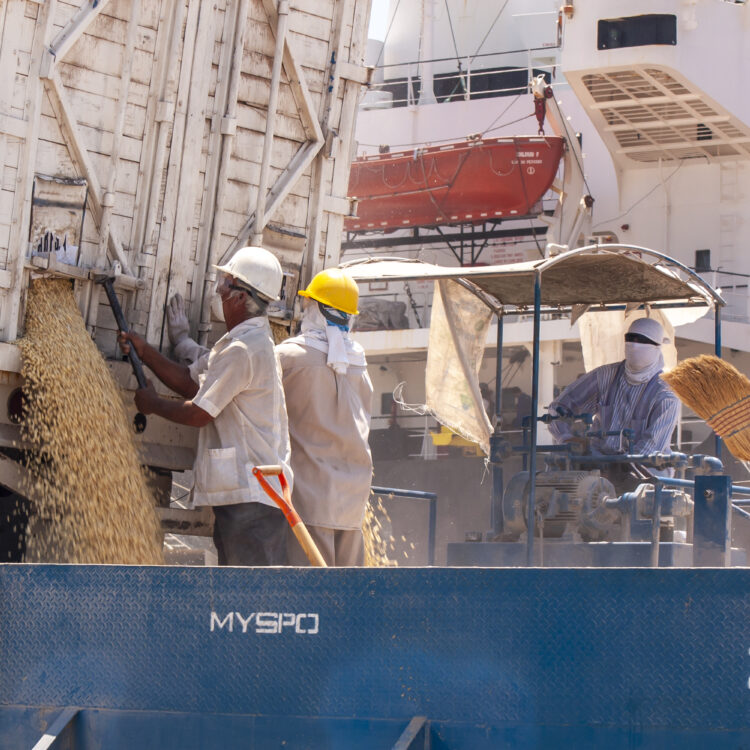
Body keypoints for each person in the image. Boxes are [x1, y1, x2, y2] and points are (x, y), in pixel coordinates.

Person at [118, 246, 292, 566]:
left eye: (225, 283)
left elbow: (200, 413)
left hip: (253, 497)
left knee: (246, 596)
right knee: (236, 590)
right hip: (246, 494)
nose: (219, 290)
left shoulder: (244, 349)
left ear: (241, 296)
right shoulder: (239, 343)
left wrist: (154, 405)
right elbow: (189, 380)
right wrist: (144, 352)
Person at [275, 268, 373, 566]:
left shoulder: (288, 357)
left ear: (315, 309)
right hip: (353, 503)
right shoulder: (359, 364)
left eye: (307, 306)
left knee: (308, 598)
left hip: (308, 502)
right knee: (347, 597)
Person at [547, 317, 680, 490]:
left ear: (657, 347)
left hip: (645, 470)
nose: (634, 345)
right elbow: (560, 407)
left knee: (634, 493)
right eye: (630, 339)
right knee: (556, 471)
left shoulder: (666, 393)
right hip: (597, 460)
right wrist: (567, 437)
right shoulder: (605, 376)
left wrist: (612, 470)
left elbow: (650, 449)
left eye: (643, 341)